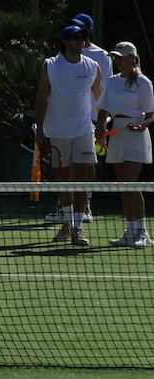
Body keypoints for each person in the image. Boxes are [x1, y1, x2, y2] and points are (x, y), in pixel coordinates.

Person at [34, 24, 102, 246]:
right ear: (65, 41)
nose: (81, 40)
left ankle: (77, 228)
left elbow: (100, 99)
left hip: (84, 131)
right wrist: (40, 130)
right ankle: (66, 224)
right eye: (76, 37)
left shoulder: (93, 66)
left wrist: (100, 129)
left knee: (84, 179)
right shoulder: (51, 66)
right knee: (64, 180)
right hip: (59, 132)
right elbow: (41, 98)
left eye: (83, 36)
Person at [45, 12, 110, 225]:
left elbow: (103, 91)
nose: (79, 36)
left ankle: (82, 215)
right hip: (62, 127)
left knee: (85, 171)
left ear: (89, 31)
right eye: (74, 31)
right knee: (65, 174)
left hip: (88, 124)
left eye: (81, 31)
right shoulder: (55, 61)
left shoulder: (100, 57)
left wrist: (100, 124)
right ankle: (65, 216)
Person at [96, 41, 154, 248]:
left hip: (135, 135)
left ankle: (141, 231)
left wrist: (140, 126)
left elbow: (150, 116)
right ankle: (129, 231)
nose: (118, 60)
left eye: (121, 57)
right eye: (116, 57)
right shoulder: (111, 82)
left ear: (133, 58)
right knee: (123, 186)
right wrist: (100, 129)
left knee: (130, 183)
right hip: (117, 134)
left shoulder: (143, 83)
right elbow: (103, 110)